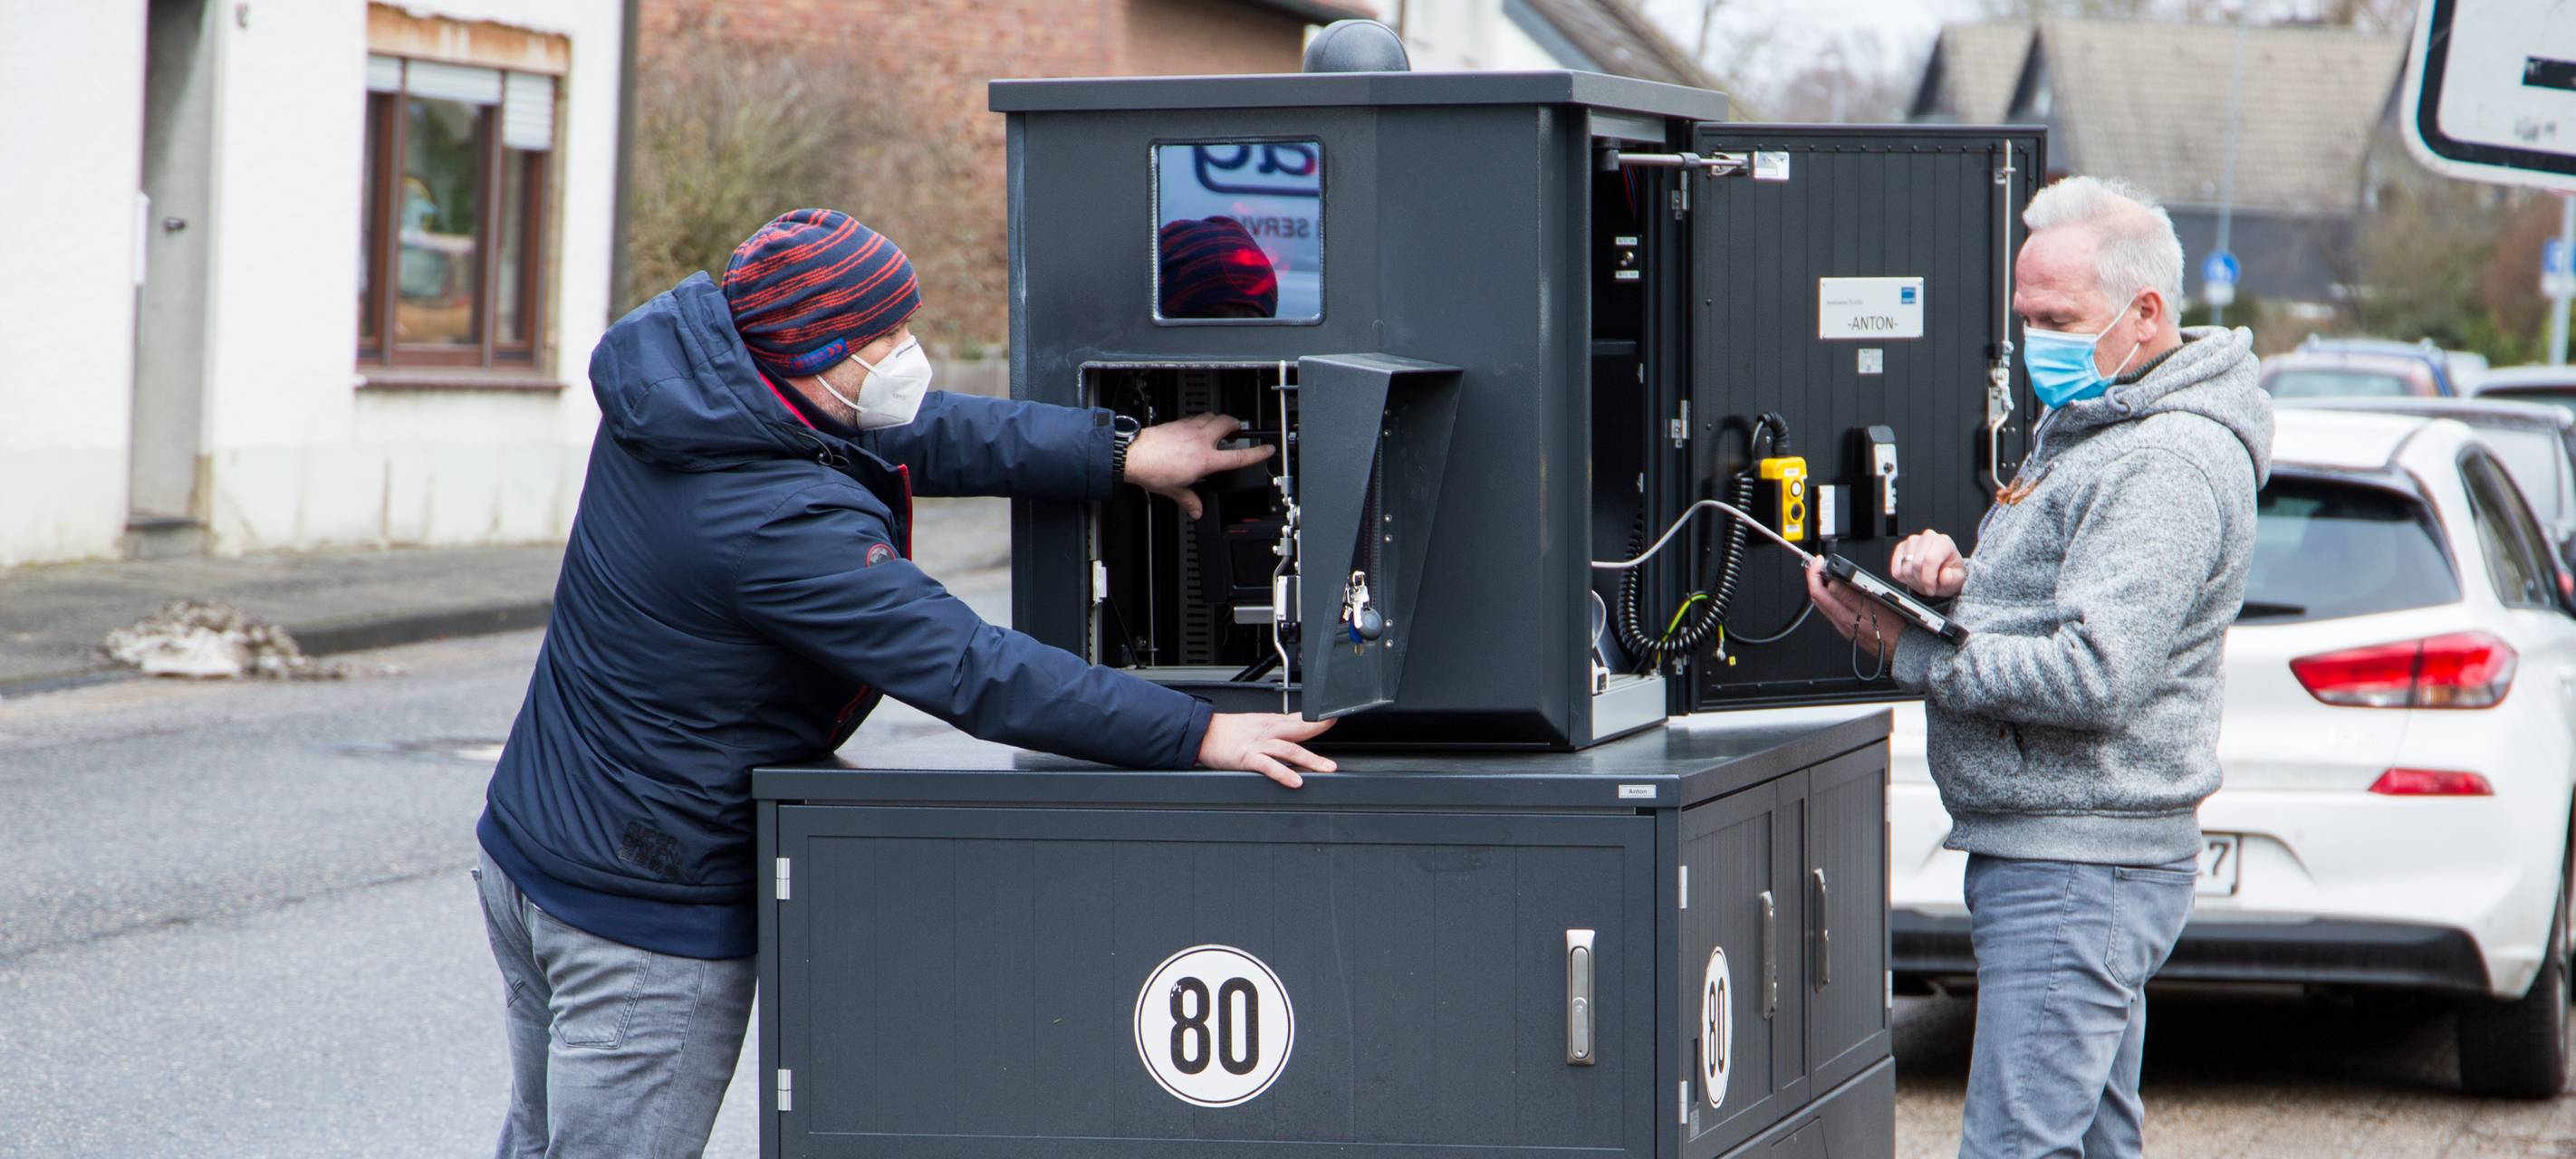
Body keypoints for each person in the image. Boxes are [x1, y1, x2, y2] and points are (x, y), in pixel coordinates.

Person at [472, 208, 1336, 1157]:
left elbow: (927, 429)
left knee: (539, 1137)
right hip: (640, 912)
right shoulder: (775, 523)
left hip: (531, 843)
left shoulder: (693, 396)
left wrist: (1117, 452)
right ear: (815, 350)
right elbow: (972, 668)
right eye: (883, 337)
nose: (907, 352)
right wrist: (1201, 732)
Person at [1804, 177, 2272, 1159]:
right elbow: (2077, 598)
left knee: (2017, 1145)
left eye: (2058, 318)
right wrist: (1957, 584)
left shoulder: (2165, 464)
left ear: (2145, 312)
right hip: (2071, 853)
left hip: (2079, 861)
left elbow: (2098, 671)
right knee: (2093, 1138)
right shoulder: (2100, 426)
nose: (2032, 344)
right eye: (2024, 318)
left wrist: (1916, 646)